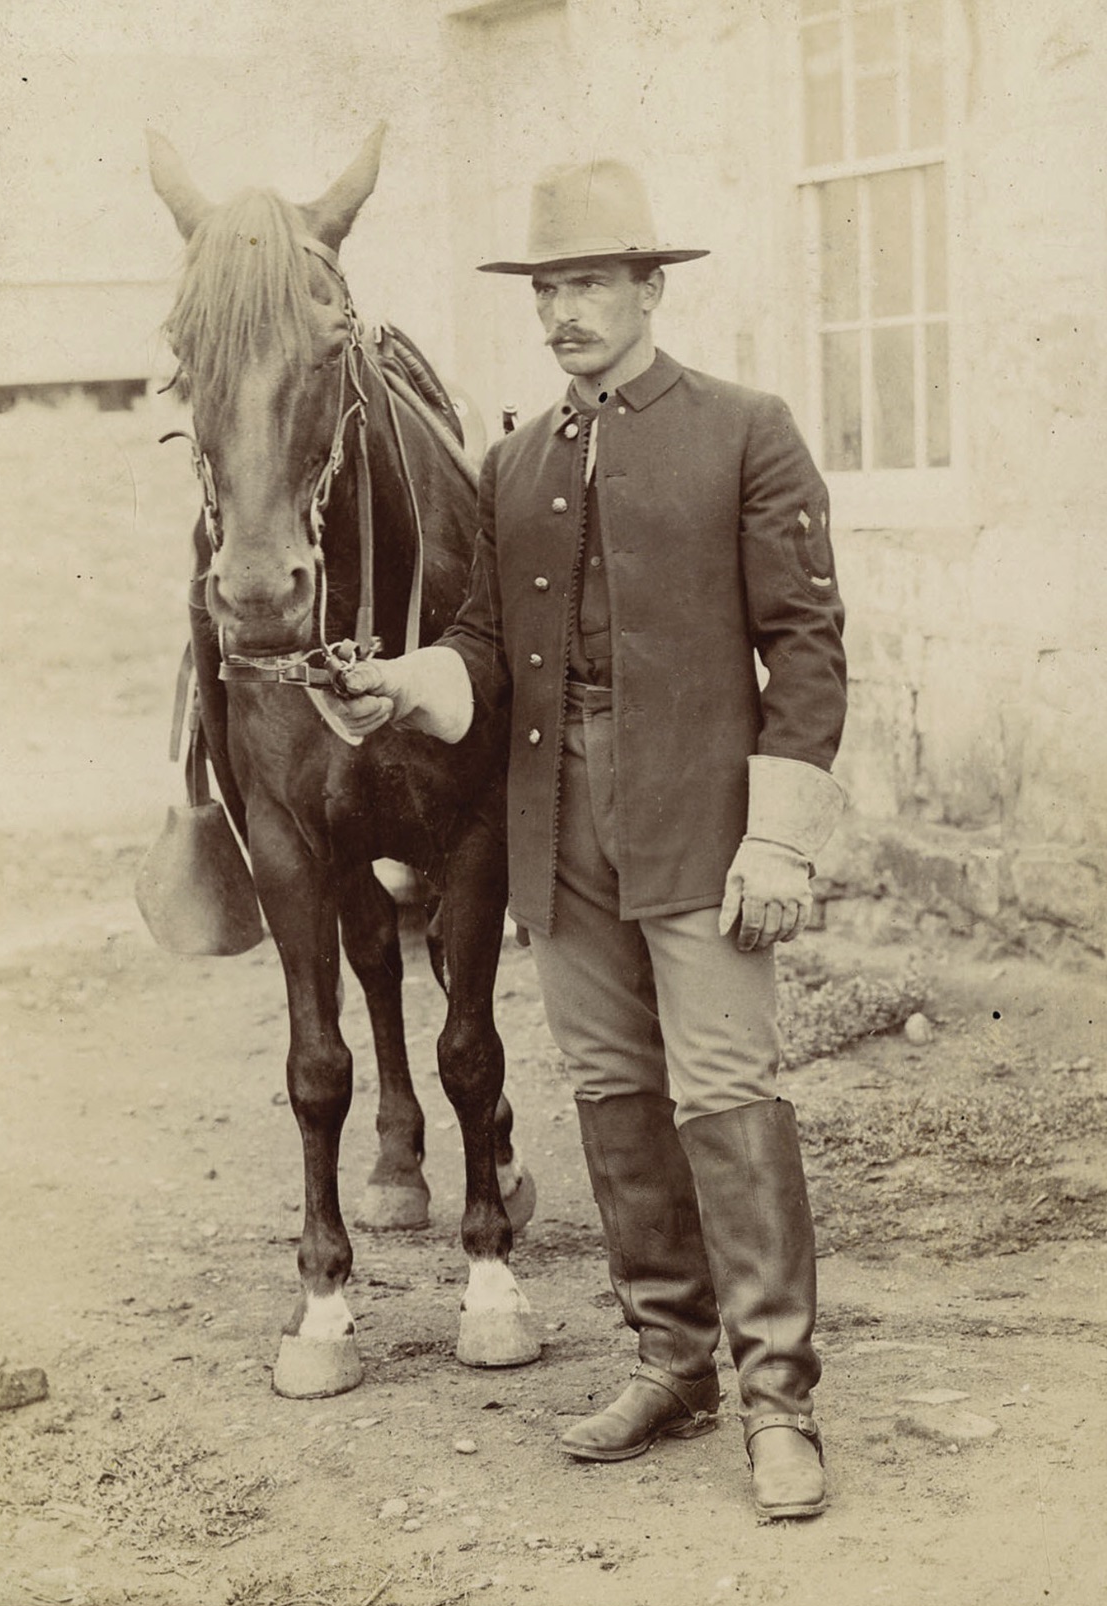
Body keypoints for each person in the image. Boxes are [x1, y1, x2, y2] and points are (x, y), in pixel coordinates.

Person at [336, 159, 847, 1520]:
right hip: (561, 825)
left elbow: (805, 646)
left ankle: (780, 1400)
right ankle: (671, 1363)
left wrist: (781, 835)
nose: (563, 311)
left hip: (704, 817)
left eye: (588, 285)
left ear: (648, 288)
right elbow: (487, 655)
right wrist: (402, 682)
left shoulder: (747, 430)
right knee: (615, 1091)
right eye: (547, 288)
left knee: (727, 1092)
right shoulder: (515, 463)